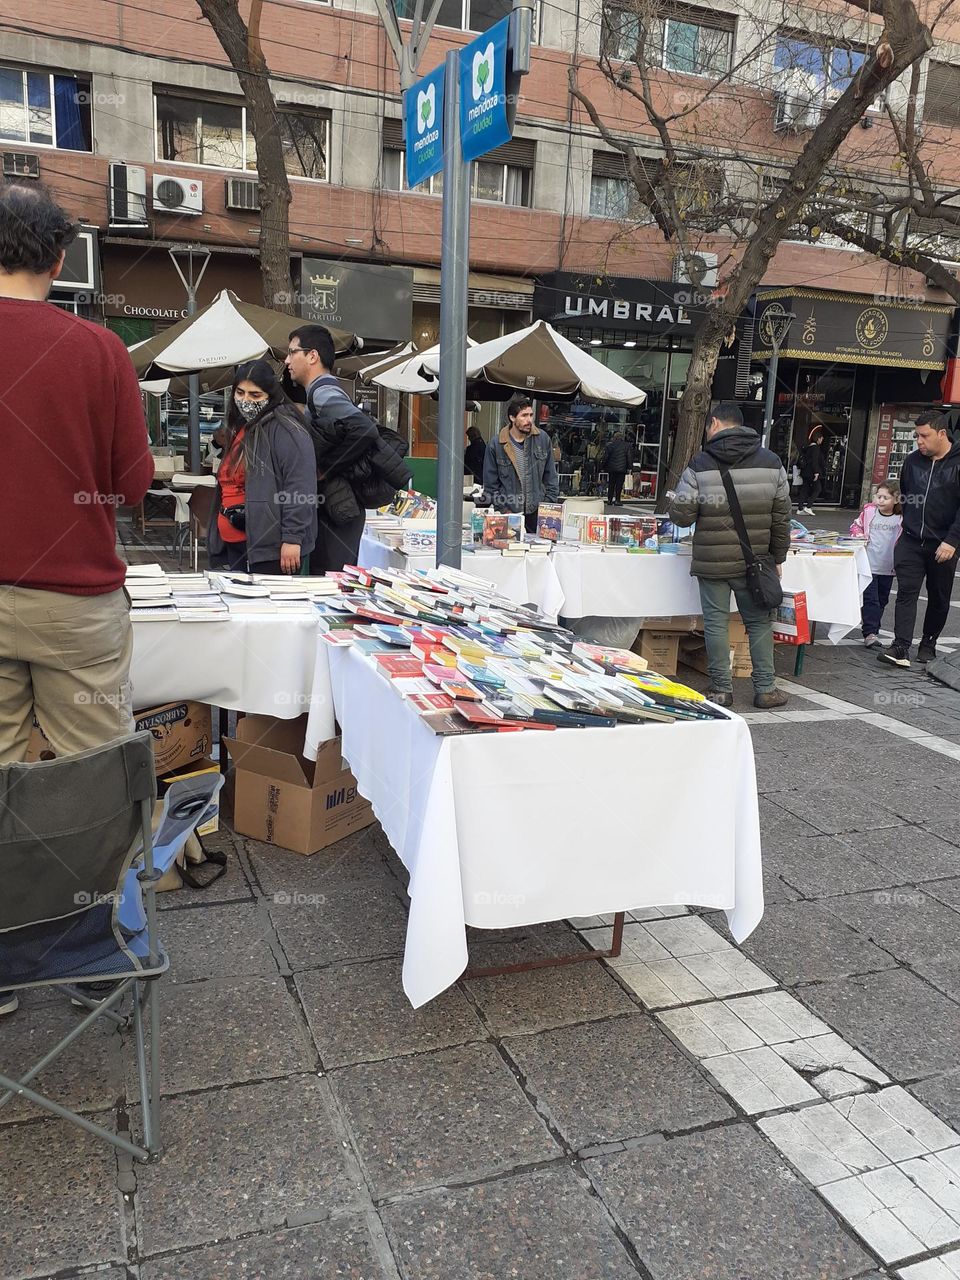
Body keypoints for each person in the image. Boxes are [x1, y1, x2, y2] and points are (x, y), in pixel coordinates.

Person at [0, 181, 153, 765]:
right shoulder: (100, 348)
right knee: (95, 771)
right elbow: (132, 484)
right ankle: (99, 860)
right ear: (60, 259)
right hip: (74, 599)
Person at [667, 401, 792, 709]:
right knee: (760, 622)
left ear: (714, 424)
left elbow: (682, 516)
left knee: (715, 622)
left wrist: (678, 504)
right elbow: (782, 516)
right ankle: (765, 689)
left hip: (713, 561)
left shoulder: (700, 463)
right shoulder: (772, 462)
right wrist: (778, 557)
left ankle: (721, 689)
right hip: (756, 560)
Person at [286, 324, 409, 571]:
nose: (287, 360)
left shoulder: (323, 393)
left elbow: (365, 429)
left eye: (292, 352)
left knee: (332, 581)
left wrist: (327, 469)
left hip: (340, 509)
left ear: (312, 356)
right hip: (337, 505)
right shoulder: (319, 393)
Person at [206, 360, 318, 575]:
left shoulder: (286, 429)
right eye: (240, 393)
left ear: (270, 395)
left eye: (255, 395)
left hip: (269, 547)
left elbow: (300, 486)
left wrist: (292, 538)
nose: (245, 400)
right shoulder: (241, 427)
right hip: (234, 542)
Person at [878, 410, 960, 668]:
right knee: (906, 592)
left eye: (924, 436)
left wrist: (952, 540)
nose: (919, 441)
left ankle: (928, 642)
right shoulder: (913, 461)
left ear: (942, 434)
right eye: (916, 436)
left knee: (938, 597)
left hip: (944, 543)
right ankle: (900, 646)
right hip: (912, 540)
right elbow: (906, 490)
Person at [482, 395, 559, 533]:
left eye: (531, 415)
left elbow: (551, 478)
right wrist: (504, 510)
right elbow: (490, 486)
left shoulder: (542, 439)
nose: (529, 420)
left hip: (538, 513)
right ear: (512, 418)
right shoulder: (496, 444)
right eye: (524, 415)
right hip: (509, 513)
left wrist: (547, 507)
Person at [850, 483, 902, 650]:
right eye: (878, 496)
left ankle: (873, 629)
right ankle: (870, 633)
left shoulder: (901, 518)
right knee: (871, 599)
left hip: (889, 566)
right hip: (869, 564)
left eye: (885, 497)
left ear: (896, 499)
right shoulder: (869, 512)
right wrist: (858, 535)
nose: (880, 500)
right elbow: (856, 525)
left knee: (882, 599)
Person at [797, 428, 825, 515]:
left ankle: (800, 508)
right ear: (818, 438)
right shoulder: (816, 448)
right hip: (812, 472)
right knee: (818, 489)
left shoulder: (807, 448)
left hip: (805, 472)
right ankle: (808, 506)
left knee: (804, 489)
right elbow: (815, 461)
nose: (822, 440)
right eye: (821, 439)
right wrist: (816, 472)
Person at [603, 431, 632, 505]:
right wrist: (630, 467)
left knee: (611, 484)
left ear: (614, 438)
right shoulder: (627, 445)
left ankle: (609, 500)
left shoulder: (610, 446)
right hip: (622, 468)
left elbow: (606, 457)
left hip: (612, 468)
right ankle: (617, 500)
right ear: (622, 438)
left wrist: (603, 466)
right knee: (619, 485)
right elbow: (629, 457)